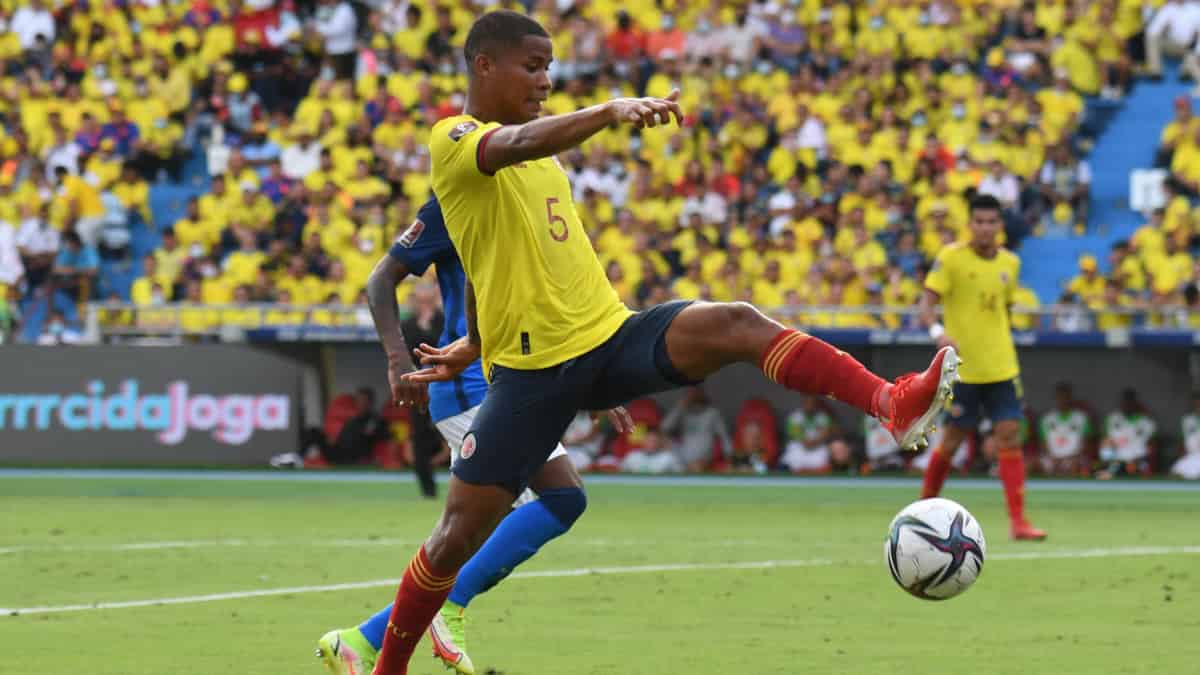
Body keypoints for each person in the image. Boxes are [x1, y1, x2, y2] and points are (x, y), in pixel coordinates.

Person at [372, 12, 957, 675]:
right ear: (485, 66)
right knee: (454, 537)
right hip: (534, 374)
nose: (544, 80)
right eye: (532, 67)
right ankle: (386, 664)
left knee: (733, 321)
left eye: (549, 68)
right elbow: (511, 157)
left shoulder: (541, 161)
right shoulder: (454, 138)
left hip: (607, 336)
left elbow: (494, 258)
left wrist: (475, 339)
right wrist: (611, 108)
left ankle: (891, 400)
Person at [316, 197, 631, 675]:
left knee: (493, 522)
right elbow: (381, 279)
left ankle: (363, 640)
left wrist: (590, 379)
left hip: (515, 378)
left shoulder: (531, 200)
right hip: (469, 383)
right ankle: (444, 607)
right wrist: (398, 360)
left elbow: (546, 302)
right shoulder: (458, 200)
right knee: (556, 499)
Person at [918, 193, 1047, 541]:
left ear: (1000, 226)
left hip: (1002, 367)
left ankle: (1019, 522)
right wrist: (937, 331)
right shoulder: (951, 258)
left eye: (992, 222)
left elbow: (1002, 312)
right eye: (980, 222)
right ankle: (920, 512)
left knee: (1009, 436)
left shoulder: (1010, 263)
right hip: (963, 370)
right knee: (952, 441)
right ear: (969, 225)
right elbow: (926, 305)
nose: (986, 228)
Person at [400, 284, 444, 499]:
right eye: (421, 301)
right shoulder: (407, 324)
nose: (424, 305)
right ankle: (427, 489)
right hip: (419, 385)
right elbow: (405, 353)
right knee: (419, 436)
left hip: (446, 382)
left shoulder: (445, 321)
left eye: (428, 301)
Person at [1038, 382, 1092, 477]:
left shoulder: (1081, 418)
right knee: (1037, 464)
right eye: (1060, 396)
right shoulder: (1047, 419)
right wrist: (1053, 458)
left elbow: (1086, 444)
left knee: (1075, 465)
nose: (1063, 399)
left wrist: (1071, 457)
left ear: (1071, 397)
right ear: (1056, 397)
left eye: (1066, 396)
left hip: (1075, 457)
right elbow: (1043, 444)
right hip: (1052, 457)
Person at [1170, 394, 1200, 480]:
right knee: (1176, 473)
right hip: (1192, 455)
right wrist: (1181, 454)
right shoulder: (1187, 420)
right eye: (1196, 404)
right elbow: (1183, 440)